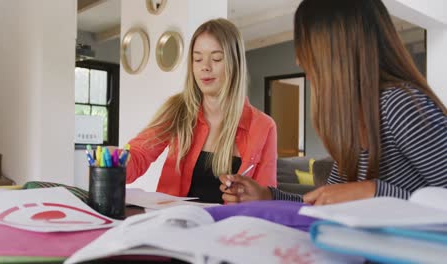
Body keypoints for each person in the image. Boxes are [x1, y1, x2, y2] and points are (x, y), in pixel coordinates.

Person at [220, 0, 447, 205]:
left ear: (339, 48)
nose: (299, 59)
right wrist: (268, 196)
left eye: (307, 44)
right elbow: (327, 202)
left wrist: (374, 191)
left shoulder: (400, 105)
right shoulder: (356, 122)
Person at [126, 18, 277, 204]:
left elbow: (267, 199)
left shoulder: (263, 126)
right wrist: (119, 162)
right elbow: (139, 154)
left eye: (216, 58)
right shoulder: (177, 109)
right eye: (197, 59)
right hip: (174, 224)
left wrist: (249, 197)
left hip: (228, 229)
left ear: (235, 63)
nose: (205, 67)